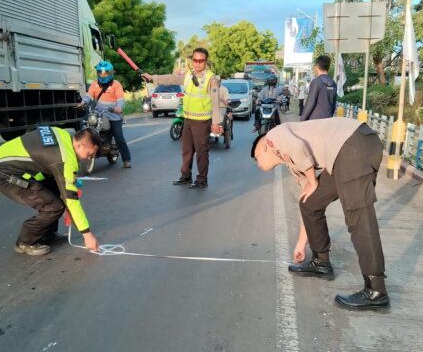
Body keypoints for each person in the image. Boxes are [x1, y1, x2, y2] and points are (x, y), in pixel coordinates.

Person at [250, 117, 389, 310]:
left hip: (353, 144)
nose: (258, 165)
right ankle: (320, 261)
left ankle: (376, 290)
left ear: (264, 147)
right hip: (343, 152)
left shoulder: (274, 137)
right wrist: (301, 243)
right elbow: (305, 196)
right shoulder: (292, 163)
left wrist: (313, 181)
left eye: (257, 159)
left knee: (359, 216)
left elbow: (298, 147)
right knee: (310, 203)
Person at [0, 127, 101, 256]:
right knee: (54, 207)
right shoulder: (64, 160)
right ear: (79, 145)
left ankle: (48, 235)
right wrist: (87, 235)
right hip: (5, 174)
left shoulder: (64, 135)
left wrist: (68, 183)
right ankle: (24, 242)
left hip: (6, 161)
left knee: (55, 191)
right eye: (89, 154)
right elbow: (71, 199)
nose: (89, 158)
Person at [141, 48, 223, 188]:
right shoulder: (188, 75)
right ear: (192, 61)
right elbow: (172, 78)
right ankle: (185, 176)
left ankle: (202, 180)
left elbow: (215, 103)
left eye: (201, 61)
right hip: (188, 119)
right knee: (186, 150)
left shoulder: (211, 79)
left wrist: (216, 123)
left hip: (202, 121)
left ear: (206, 61)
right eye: (195, 60)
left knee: (201, 151)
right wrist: (153, 78)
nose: (197, 63)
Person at [82, 60, 132, 168]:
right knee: (86, 128)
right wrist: (84, 102)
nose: (103, 75)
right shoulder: (95, 84)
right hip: (99, 113)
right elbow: (89, 96)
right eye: (100, 72)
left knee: (119, 136)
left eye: (105, 73)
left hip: (113, 114)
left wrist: (118, 107)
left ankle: (126, 159)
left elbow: (120, 99)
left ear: (110, 73)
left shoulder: (116, 85)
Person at [300, 56, 337, 121]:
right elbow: (333, 104)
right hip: (328, 120)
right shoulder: (333, 83)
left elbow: (310, 102)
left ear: (317, 66)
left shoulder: (316, 82)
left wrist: (302, 119)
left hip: (315, 121)